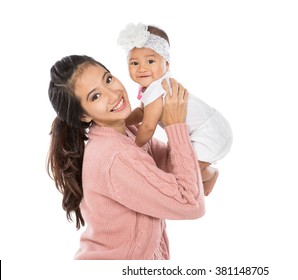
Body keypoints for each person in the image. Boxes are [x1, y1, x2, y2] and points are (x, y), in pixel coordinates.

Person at [47, 55, 205, 260]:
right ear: (84, 116)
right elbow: (191, 204)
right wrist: (175, 126)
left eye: (108, 79)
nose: (113, 95)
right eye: (95, 96)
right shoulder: (117, 157)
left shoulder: (125, 132)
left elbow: (169, 165)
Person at [117, 23, 233, 196]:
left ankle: (209, 175)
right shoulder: (153, 88)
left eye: (150, 61)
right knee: (182, 166)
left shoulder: (159, 89)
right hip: (213, 127)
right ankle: (208, 177)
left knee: (182, 169)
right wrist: (123, 122)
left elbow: (148, 127)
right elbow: (142, 113)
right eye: (134, 63)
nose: (142, 68)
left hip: (210, 133)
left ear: (167, 64)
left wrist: (134, 149)